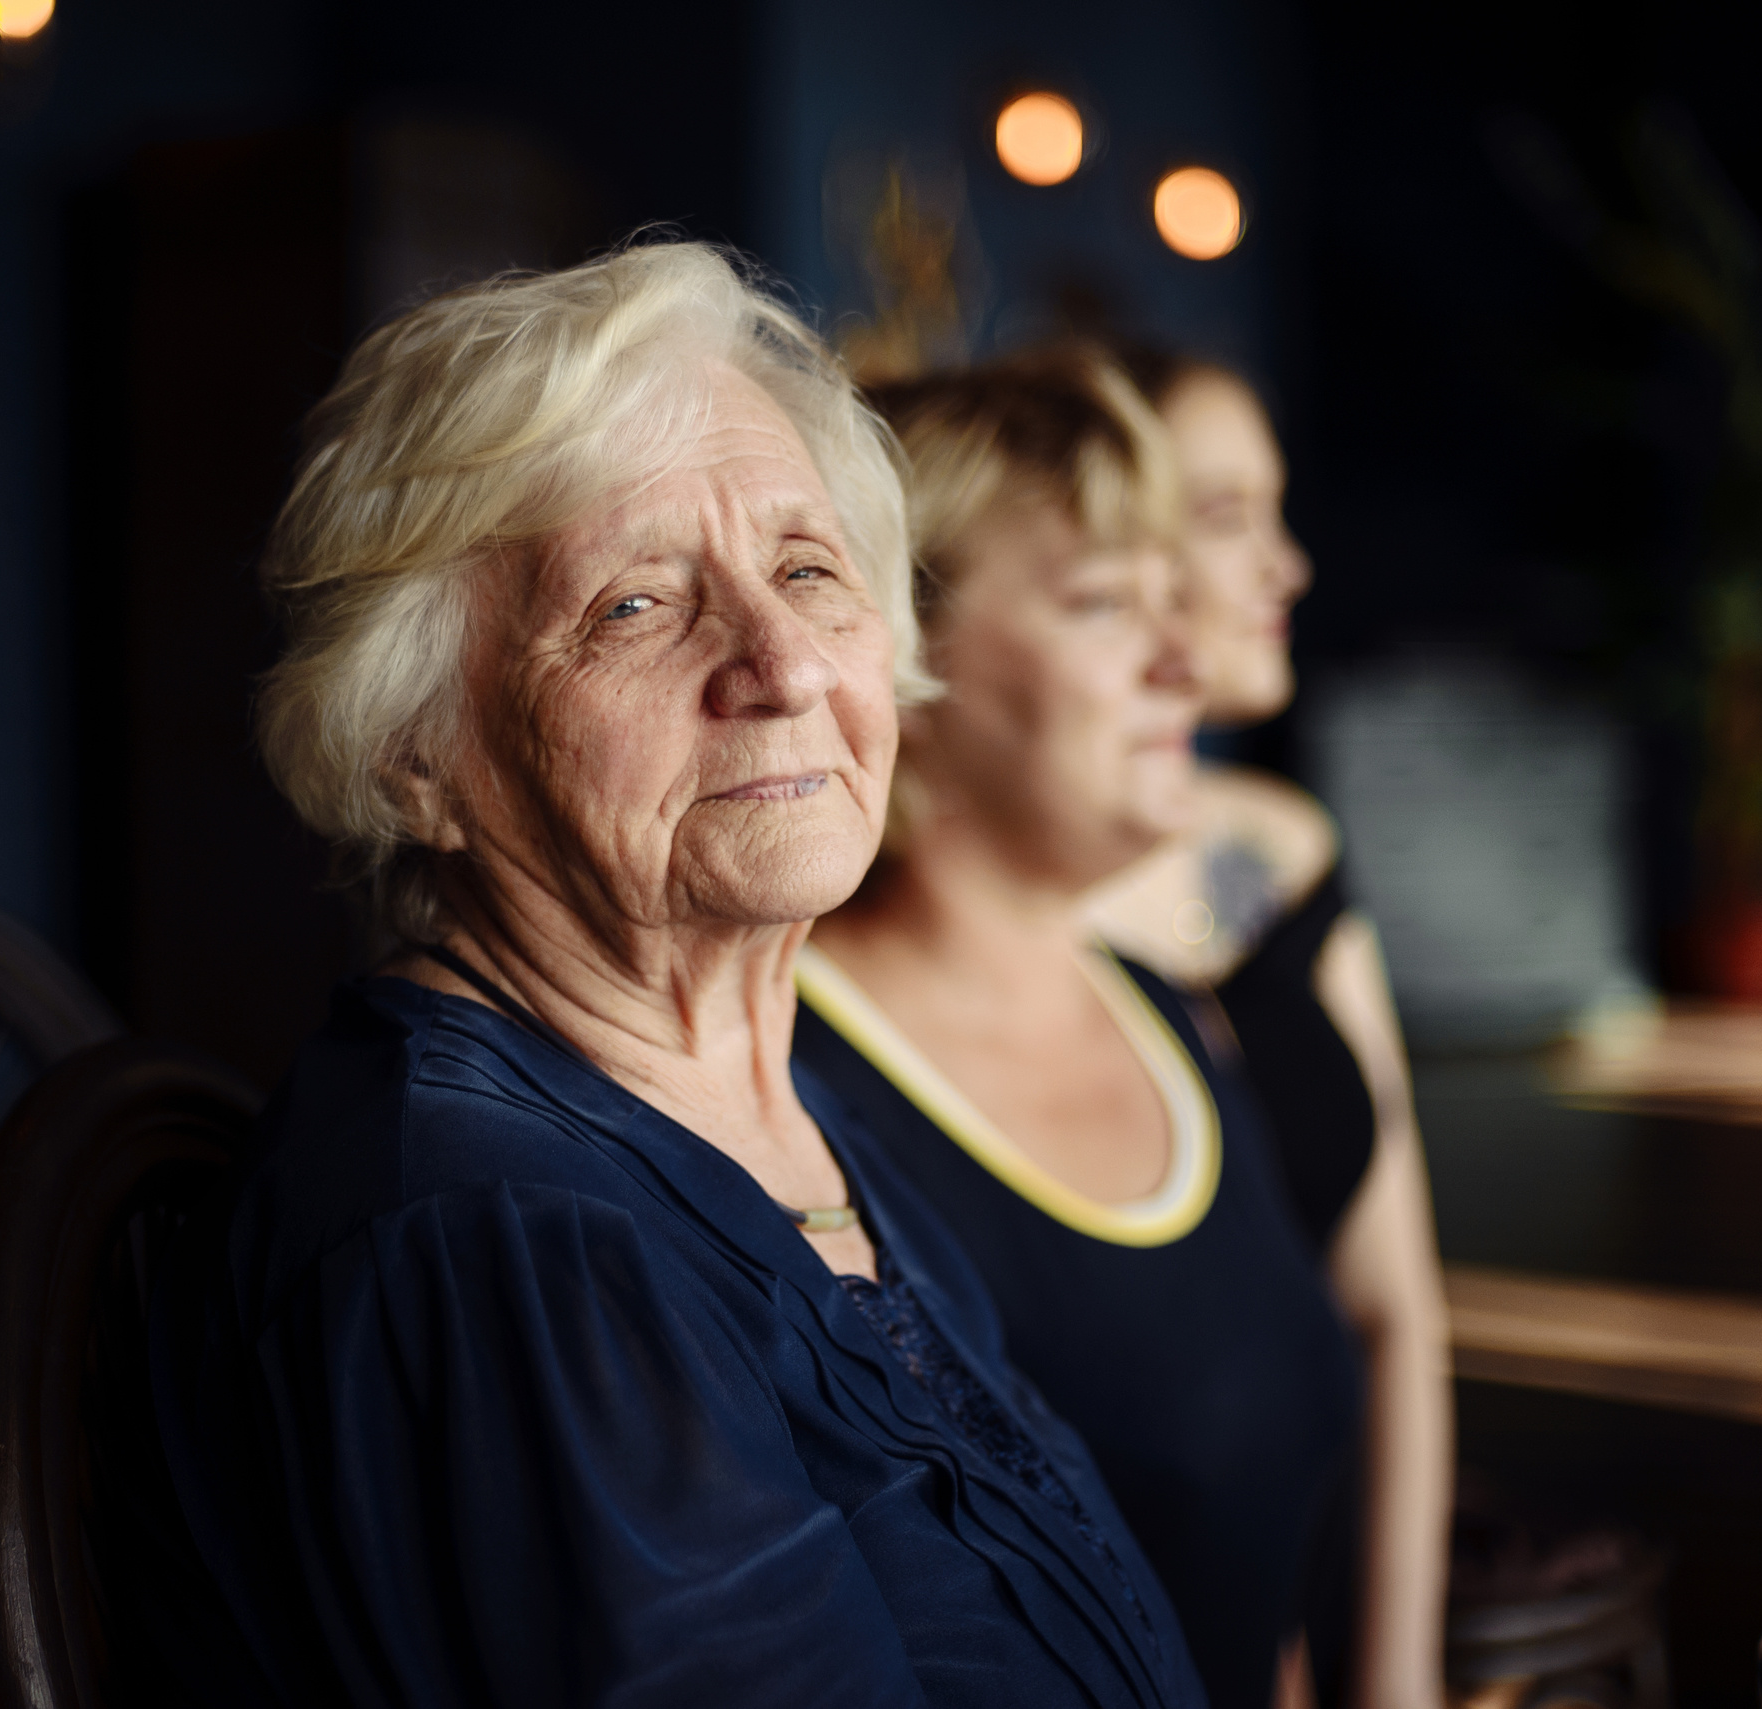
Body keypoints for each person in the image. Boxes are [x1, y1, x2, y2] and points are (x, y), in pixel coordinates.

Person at [131, 245, 1203, 1709]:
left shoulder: (790, 1115)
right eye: (636, 605)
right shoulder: (507, 1244)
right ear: (416, 754)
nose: (782, 663)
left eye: (811, 571)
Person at [793, 350, 1361, 1709]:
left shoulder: (1167, 1009)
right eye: (1108, 605)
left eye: (1178, 603)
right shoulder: (786, 1078)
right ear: (895, 652)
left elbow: (1261, 1548)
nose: (1182, 663)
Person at [1086, 354, 1450, 1709]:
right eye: (1229, 514)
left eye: (1276, 509)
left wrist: (1400, 1680)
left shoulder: (1280, 858)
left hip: (1346, 1542)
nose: (1287, 566)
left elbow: (1396, 1309)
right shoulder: (1006, 923)